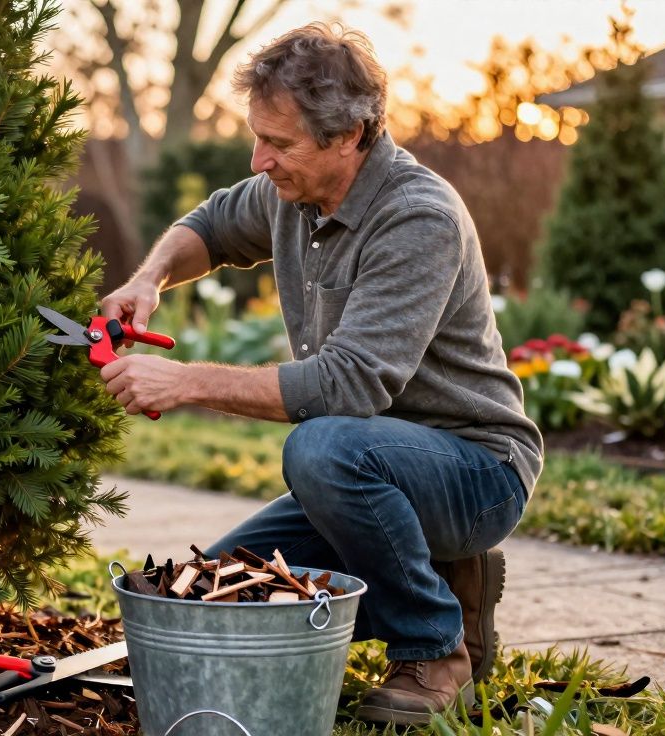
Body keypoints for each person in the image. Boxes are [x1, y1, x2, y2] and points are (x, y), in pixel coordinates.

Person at [98, 22, 543, 726]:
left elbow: (346, 387)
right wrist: (148, 278)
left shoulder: (416, 218)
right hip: (369, 471)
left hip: (475, 471)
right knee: (201, 595)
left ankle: (435, 646)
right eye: (256, 136)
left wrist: (183, 381)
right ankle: (444, 577)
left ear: (349, 136)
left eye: (279, 144)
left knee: (320, 446)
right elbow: (211, 226)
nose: (258, 159)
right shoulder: (291, 195)